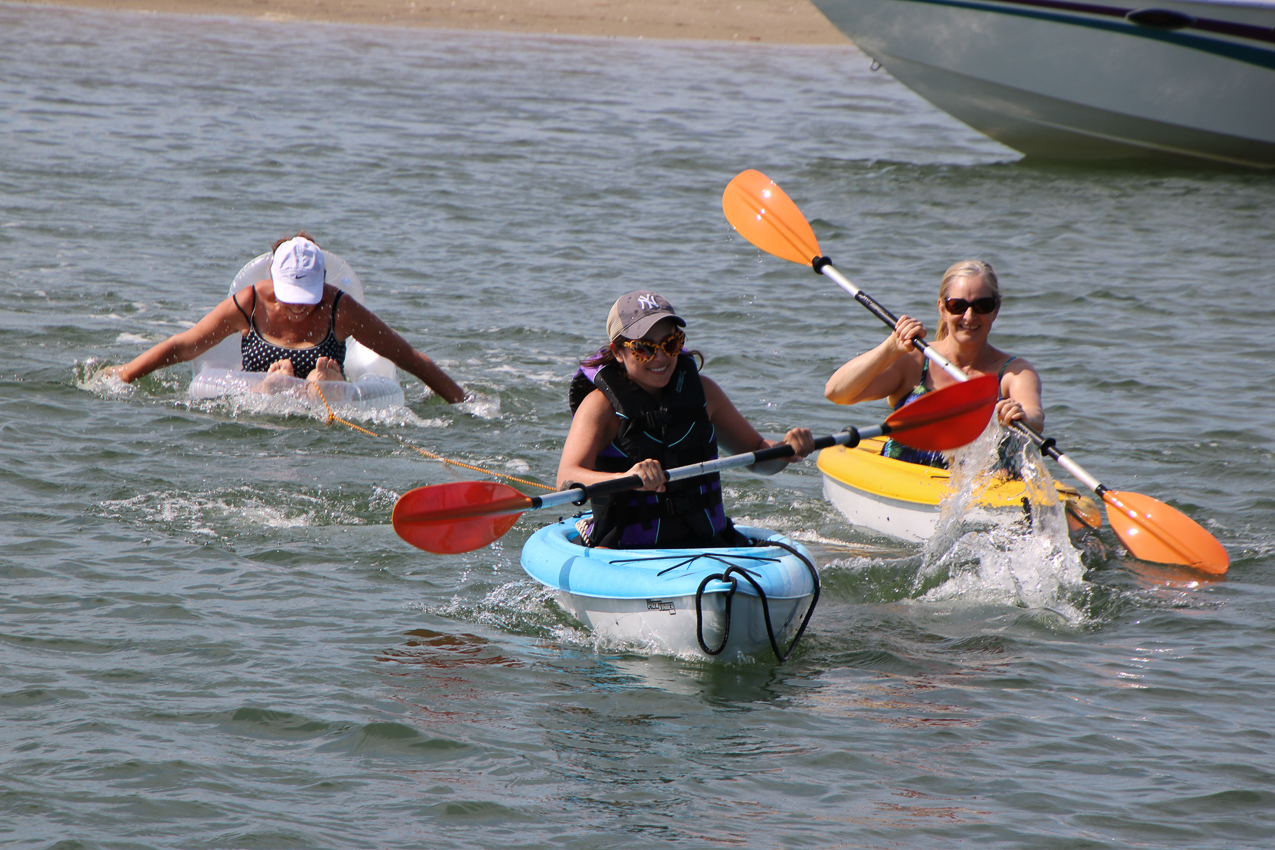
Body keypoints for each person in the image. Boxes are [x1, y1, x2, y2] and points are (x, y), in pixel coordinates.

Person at [559, 290, 815, 549]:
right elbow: (566, 479)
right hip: (624, 551)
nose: (660, 357)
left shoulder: (705, 393)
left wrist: (785, 450)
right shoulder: (599, 407)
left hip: (706, 543)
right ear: (617, 351)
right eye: (644, 348)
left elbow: (758, 457)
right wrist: (627, 478)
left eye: (670, 343)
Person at [111, 233, 467, 403]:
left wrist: (464, 402)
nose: (299, 308)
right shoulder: (248, 304)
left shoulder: (341, 310)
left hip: (326, 401)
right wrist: (123, 376)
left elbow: (408, 358)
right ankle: (278, 386)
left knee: (322, 381)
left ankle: (324, 385)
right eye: (291, 298)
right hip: (261, 399)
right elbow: (183, 346)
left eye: (308, 299)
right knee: (274, 383)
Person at [823, 259, 1043, 468]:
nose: (969, 316)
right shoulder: (915, 360)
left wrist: (1022, 416)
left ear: (996, 310)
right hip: (902, 480)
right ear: (942, 308)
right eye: (957, 306)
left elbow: (1035, 417)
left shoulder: (1014, 372)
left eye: (982, 305)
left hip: (972, 495)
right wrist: (890, 348)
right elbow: (837, 393)